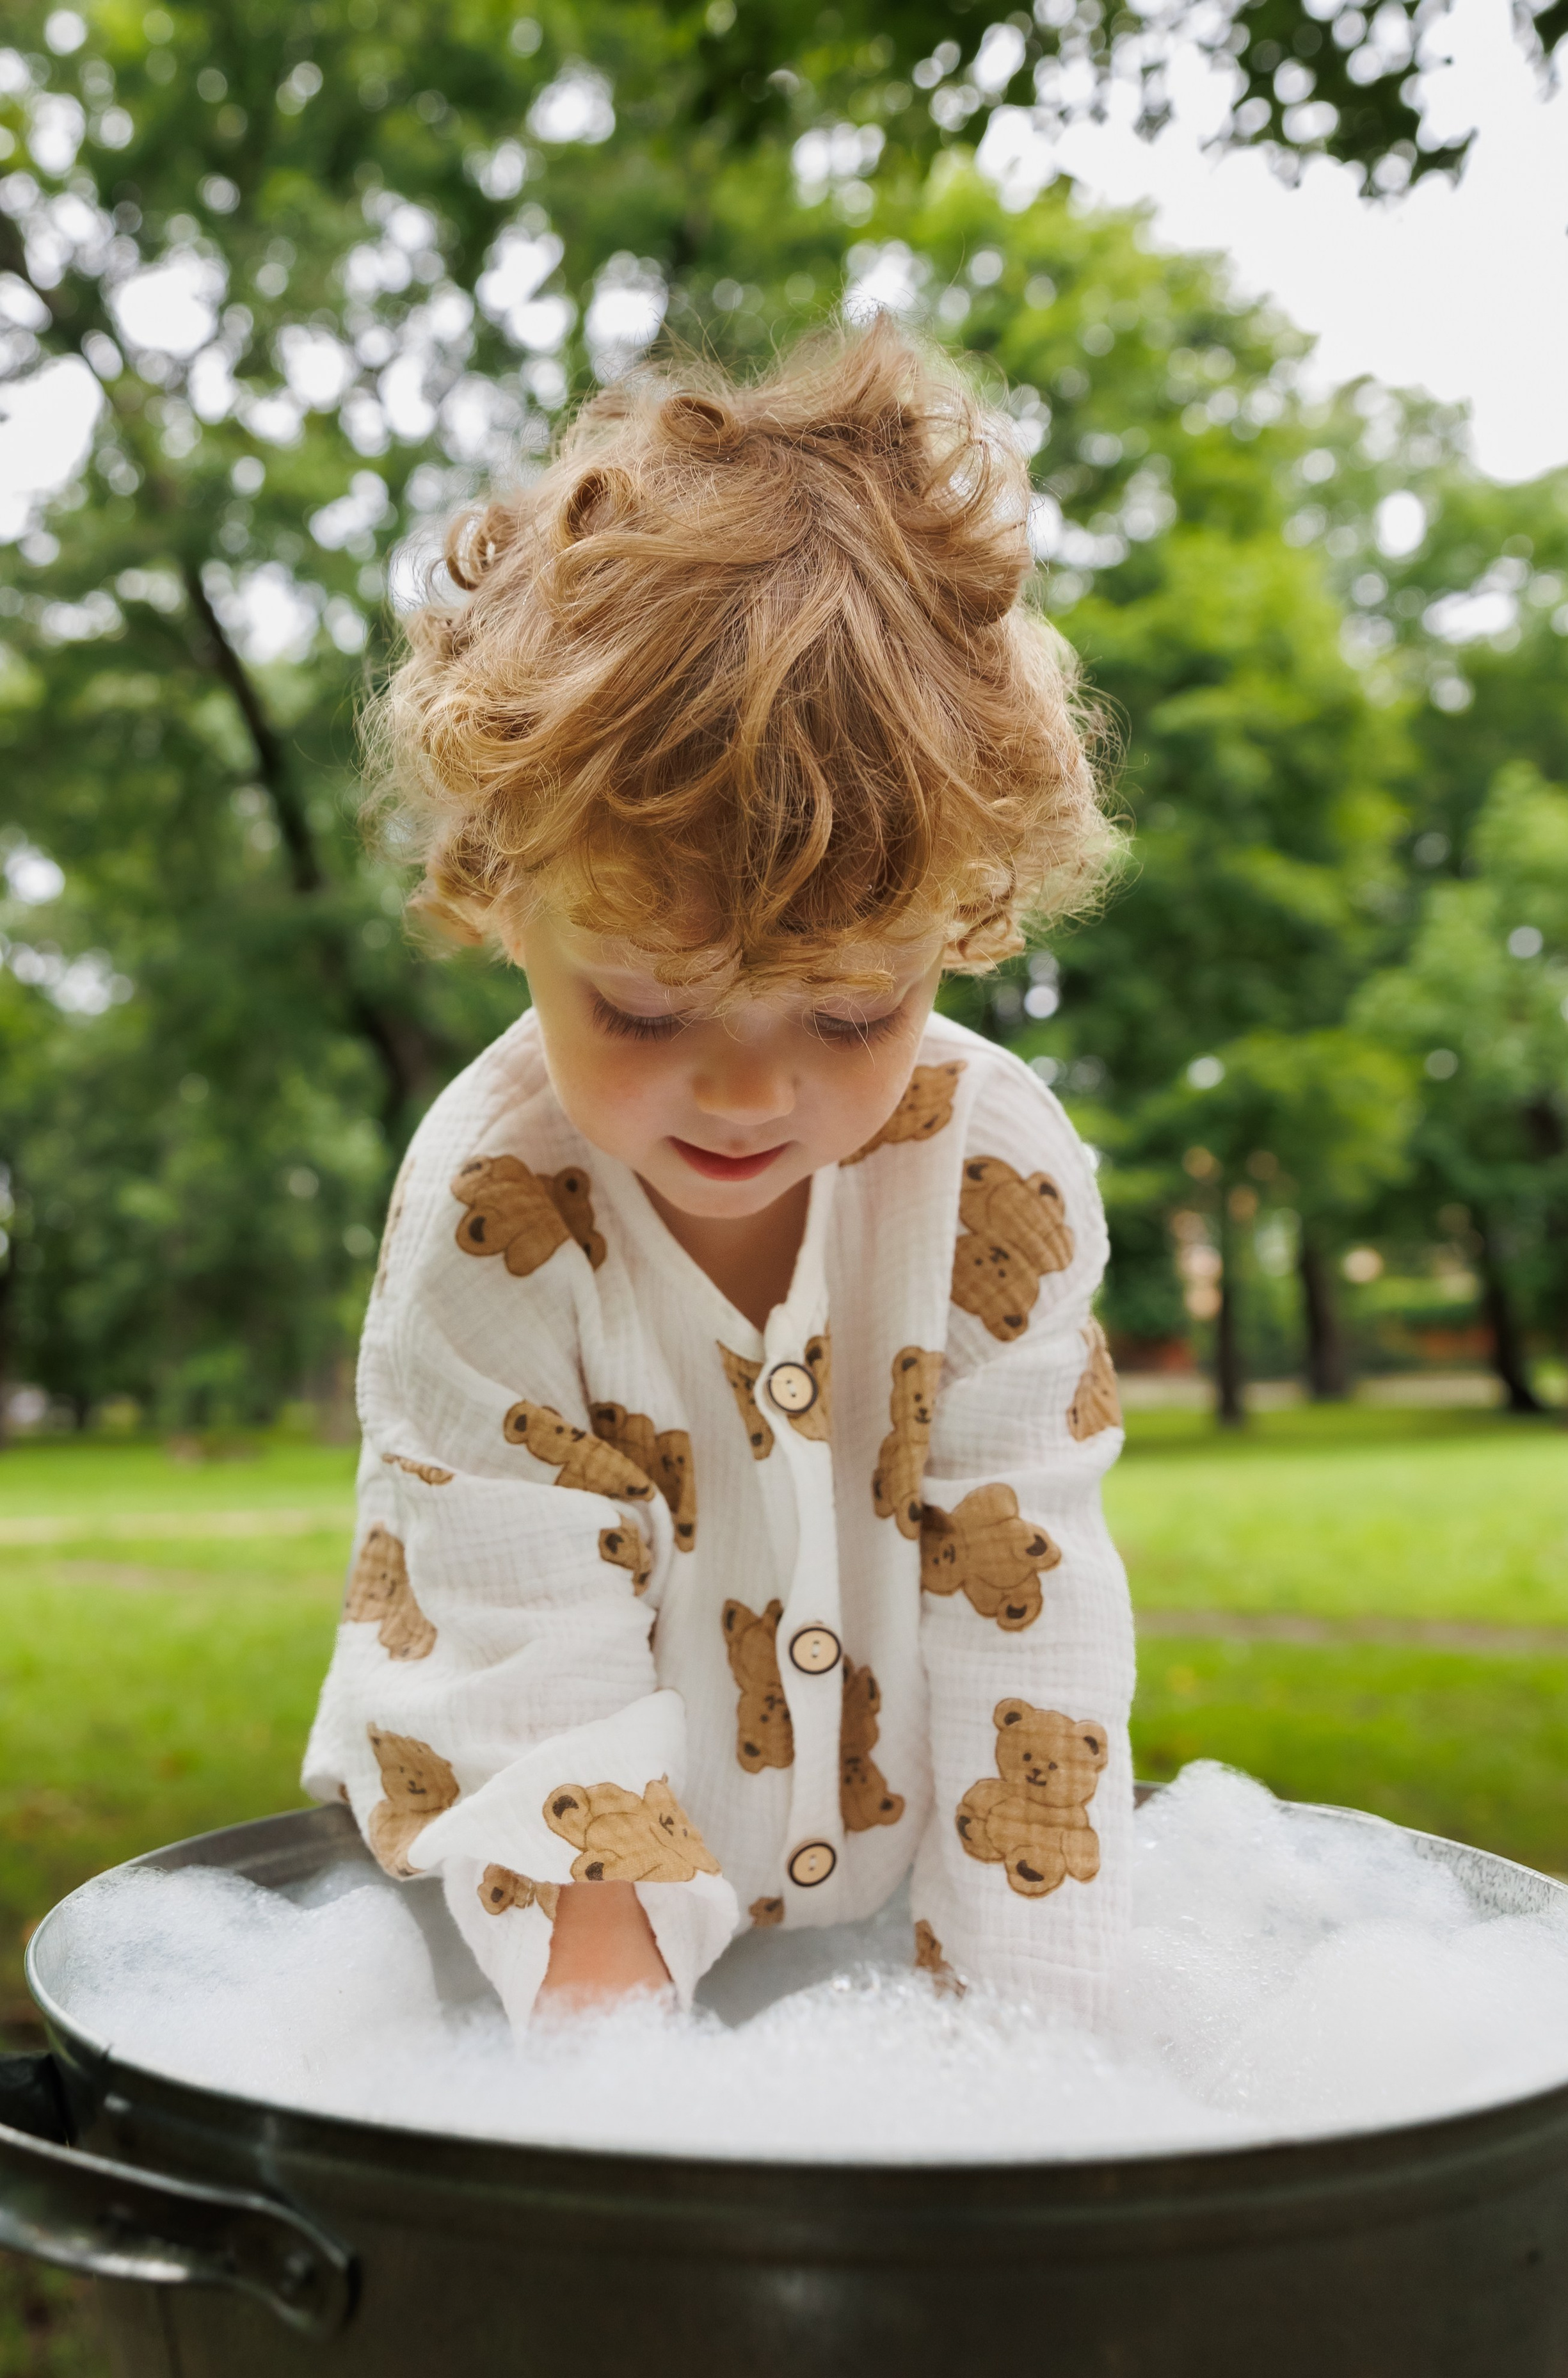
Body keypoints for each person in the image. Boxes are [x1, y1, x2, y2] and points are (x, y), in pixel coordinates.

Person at [301, 317, 1135, 2032]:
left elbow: (1027, 1641)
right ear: (501, 890)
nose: (755, 1090)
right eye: (644, 1004)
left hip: (869, 1912)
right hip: (535, 1936)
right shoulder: (494, 1221)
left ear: (962, 922)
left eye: (851, 1010)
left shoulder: (996, 1184)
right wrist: (647, 2146)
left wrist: (1026, 2097)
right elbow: (541, 1710)